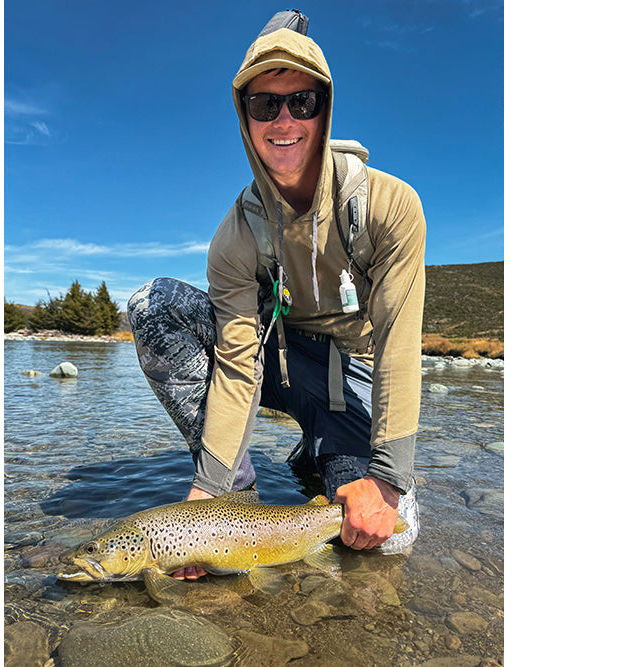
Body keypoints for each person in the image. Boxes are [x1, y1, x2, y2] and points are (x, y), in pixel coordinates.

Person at [127, 10, 426, 580]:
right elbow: (238, 364)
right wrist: (208, 496)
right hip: (273, 362)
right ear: (245, 117)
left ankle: (326, 455)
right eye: (265, 104)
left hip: (347, 382)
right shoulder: (235, 235)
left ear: (324, 108)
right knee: (152, 303)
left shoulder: (391, 207)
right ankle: (239, 501)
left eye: (302, 103)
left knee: (382, 543)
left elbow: (398, 347)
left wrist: (387, 480)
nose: (284, 120)